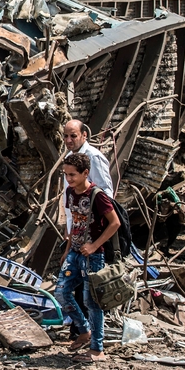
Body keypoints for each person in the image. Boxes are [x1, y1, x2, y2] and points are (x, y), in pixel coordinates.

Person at [56, 153, 120, 362]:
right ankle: (84, 330)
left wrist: (94, 245)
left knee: (92, 302)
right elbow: (74, 223)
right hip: (74, 253)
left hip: (93, 257)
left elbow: (115, 223)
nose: (69, 179)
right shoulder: (70, 192)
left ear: (85, 173)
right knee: (62, 292)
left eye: (73, 175)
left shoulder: (97, 195)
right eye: (66, 174)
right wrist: (67, 249)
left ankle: (97, 349)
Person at [62, 119, 113, 340]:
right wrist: (70, 230)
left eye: (73, 135)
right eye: (65, 136)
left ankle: (91, 339)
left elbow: (107, 195)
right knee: (70, 289)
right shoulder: (69, 161)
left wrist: (94, 239)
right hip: (76, 235)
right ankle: (80, 332)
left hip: (90, 239)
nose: (68, 140)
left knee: (88, 293)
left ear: (84, 135)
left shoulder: (93, 158)